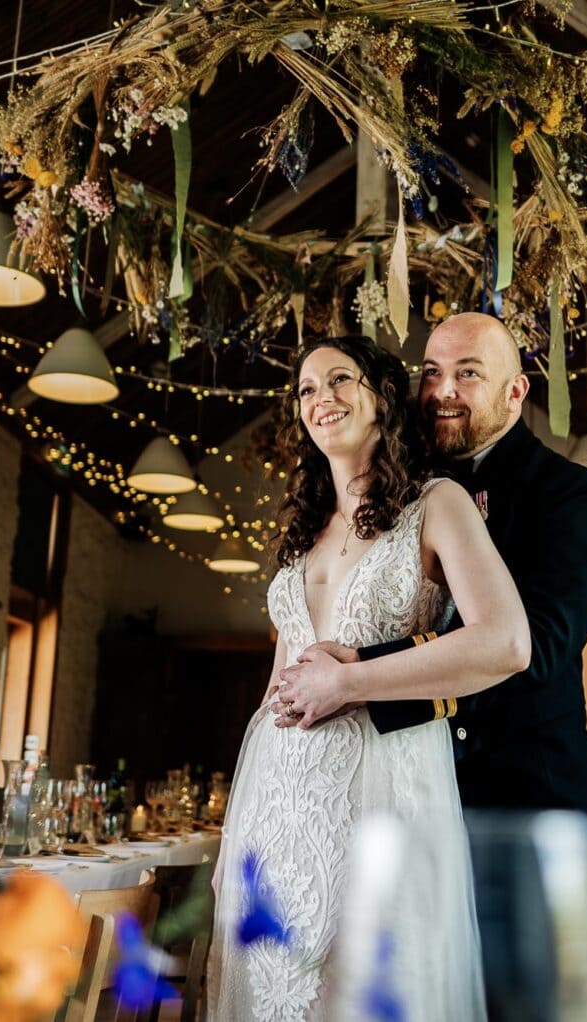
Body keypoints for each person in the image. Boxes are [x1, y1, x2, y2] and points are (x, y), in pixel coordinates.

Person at [205, 335, 529, 1021]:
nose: (322, 399)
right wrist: (238, 830)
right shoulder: (301, 532)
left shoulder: (438, 504)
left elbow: (505, 642)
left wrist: (352, 683)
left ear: (383, 396)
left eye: (340, 380)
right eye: (306, 389)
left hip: (382, 787)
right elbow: (277, 687)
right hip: (279, 800)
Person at [275, 312, 587, 830]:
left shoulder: (566, 492)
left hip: (525, 793)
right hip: (411, 793)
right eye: (431, 372)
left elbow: (534, 650)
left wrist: (354, 673)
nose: (443, 390)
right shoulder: (402, 492)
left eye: (468, 373)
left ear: (516, 391)